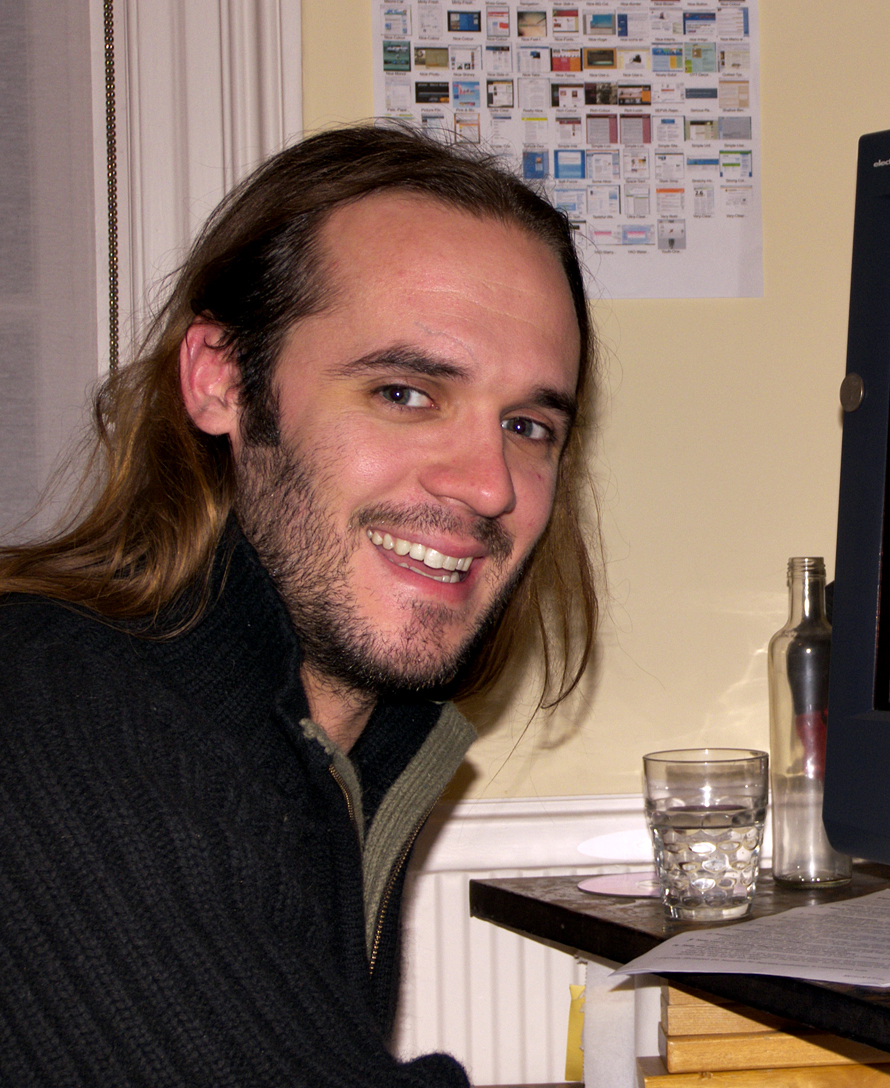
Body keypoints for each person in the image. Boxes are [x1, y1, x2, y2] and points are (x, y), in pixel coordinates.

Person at [0, 125, 599, 1085]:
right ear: (221, 380)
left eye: (527, 425)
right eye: (404, 393)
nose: (490, 484)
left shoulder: (352, 749)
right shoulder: (56, 715)